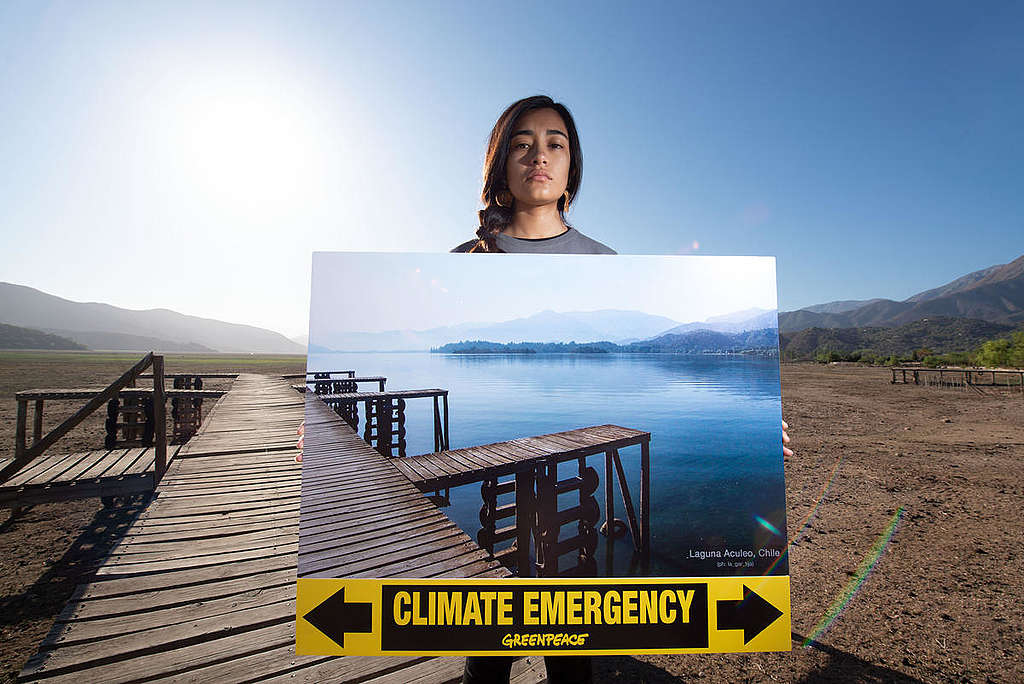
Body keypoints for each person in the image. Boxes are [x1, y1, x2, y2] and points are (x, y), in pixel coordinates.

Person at [454, 95, 791, 683]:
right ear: (500, 161)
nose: (539, 156)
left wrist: (766, 432)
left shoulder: (604, 260)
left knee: (573, 649)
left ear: (572, 166)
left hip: (549, 464)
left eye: (555, 143)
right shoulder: (465, 259)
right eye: (522, 142)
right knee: (486, 645)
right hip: (500, 468)